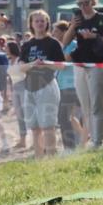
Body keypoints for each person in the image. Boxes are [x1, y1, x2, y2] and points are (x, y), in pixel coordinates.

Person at [62, 0, 103, 148]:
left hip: (98, 64)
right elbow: (65, 42)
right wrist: (72, 27)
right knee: (86, 107)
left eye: (86, 2)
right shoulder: (78, 20)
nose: (83, 7)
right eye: (79, 4)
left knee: (96, 106)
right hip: (80, 65)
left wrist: (95, 36)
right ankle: (94, 139)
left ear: (92, 1)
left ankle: (97, 141)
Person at [20, 10, 65, 158]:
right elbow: (21, 67)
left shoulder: (53, 43)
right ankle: (39, 158)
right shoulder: (27, 45)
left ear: (47, 23)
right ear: (31, 24)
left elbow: (61, 66)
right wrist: (33, 64)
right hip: (29, 87)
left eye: (42, 21)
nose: (39, 23)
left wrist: (45, 64)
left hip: (47, 86)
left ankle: (51, 157)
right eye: (36, 21)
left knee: (48, 126)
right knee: (34, 127)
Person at [52, 21, 84, 149]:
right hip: (62, 85)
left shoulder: (72, 45)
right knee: (68, 117)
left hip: (71, 85)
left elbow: (63, 62)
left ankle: (70, 147)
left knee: (63, 117)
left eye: (56, 31)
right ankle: (81, 138)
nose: (53, 34)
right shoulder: (62, 46)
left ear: (65, 32)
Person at [7, 40, 28, 149]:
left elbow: (25, 73)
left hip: (23, 87)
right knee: (20, 115)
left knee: (27, 114)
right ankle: (23, 140)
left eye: (7, 47)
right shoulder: (9, 61)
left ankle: (35, 141)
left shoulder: (20, 60)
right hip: (15, 89)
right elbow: (9, 77)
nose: (5, 49)